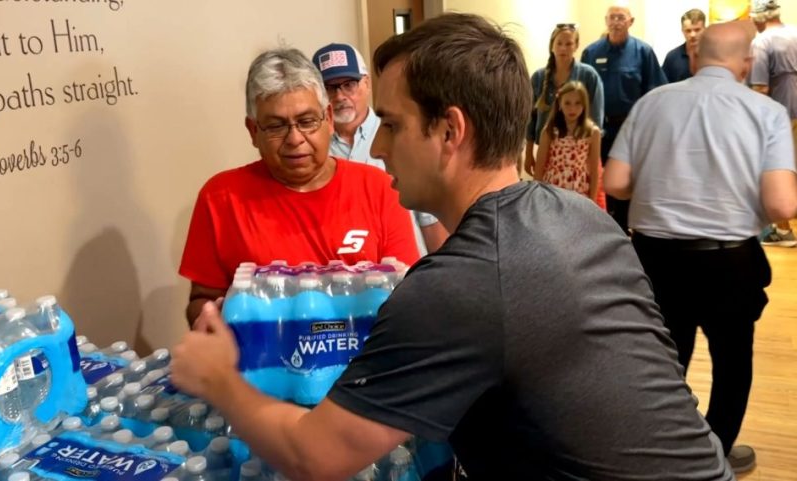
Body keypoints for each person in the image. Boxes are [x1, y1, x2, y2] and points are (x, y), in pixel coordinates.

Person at [171, 13, 734, 480]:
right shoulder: (580, 216)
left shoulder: (460, 284)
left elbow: (314, 456)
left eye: (391, 124)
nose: (379, 146)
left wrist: (218, 378)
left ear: (450, 131)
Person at [604, 22, 797, 474]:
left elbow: (615, 182)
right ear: (746, 63)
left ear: (694, 58)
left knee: (664, 362)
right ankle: (713, 454)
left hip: (655, 258)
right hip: (729, 260)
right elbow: (781, 203)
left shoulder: (652, 103)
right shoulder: (764, 112)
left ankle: (664, 452)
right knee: (731, 364)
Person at [178, 48, 419, 324]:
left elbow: (404, 293)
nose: (294, 139)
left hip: (368, 361)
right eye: (276, 126)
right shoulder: (220, 197)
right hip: (264, 363)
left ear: (328, 119)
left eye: (306, 122)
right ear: (253, 131)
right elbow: (202, 299)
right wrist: (209, 318)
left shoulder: (378, 188)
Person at [311, 43, 449, 255]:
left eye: (349, 84)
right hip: (343, 279)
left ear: (367, 83)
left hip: (408, 276)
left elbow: (431, 222)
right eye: (329, 88)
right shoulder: (312, 152)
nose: (339, 96)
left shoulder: (403, 135)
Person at [582, 4, 667, 233]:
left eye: (621, 17)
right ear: (605, 20)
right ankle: (603, 229)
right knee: (599, 180)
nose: (616, 22)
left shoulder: (644, 52)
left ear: (631, 21)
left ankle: (627, 231)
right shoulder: (591, 53)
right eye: (612, 17)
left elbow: (655, 93)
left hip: (631, 129)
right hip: (599, 129)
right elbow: (582, 93)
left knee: (628, 182)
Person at [524, 24, 603, 177]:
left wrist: (591, 157)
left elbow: (596, 119)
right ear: (552, 46)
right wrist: (528, 154)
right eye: (559, 43)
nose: (563, 48)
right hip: (545, 151)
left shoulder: (589, 75)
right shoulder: (539, 78)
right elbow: (529, 119)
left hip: (579, 153)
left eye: (569, 44)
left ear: (576, 46)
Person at [749, 0, 797, 247]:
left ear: (758, 18)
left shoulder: (762, 41)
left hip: (782, 113)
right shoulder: (795, 33)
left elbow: (760, 88)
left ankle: (782, 230)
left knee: (778, 170)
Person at [534, 81, 604, 208]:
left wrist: (593, 203)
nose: (572, 108)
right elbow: (539, 168)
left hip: (579, 190)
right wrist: (536, 200)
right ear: (560, 104)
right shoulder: (549, 131)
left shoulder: (592, 132)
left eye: (578, 103)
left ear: (584, 105)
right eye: (567, 103)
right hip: (552, 189)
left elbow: (594, 172)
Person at [662, 9, 707, 83]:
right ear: (682, 31)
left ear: (705, 29)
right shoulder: (672, 57)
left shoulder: (714, 56)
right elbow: (663, 86)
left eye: (697, 30)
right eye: (688, 31)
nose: (693, 35)